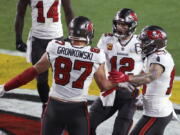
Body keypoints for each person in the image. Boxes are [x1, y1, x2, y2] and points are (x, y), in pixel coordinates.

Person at [0, 16, 131, 135]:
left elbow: (32, 72)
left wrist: (6, 87)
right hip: (78, 110)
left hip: (54, 108)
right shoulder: (96, 54)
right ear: (88, 33)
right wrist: (123, 80)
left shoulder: (55, 47)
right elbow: (104, 86)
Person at [109, 25, 176, 135]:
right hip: (157, 111)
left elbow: (150, 76)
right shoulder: (153, 55)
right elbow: (144, 75)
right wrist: (128, 83)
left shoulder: (159, 58)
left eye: (145, 41)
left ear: (157, 43)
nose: (141, 44)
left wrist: (126, 77)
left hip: (156, 114)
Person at [90, 8, 144, 135]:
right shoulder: (106, 39)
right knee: (87, 125)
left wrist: (142, 88)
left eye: (124, 25)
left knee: (119, 132)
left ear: (132, 26)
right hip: (110, 90)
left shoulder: (140, 43)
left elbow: (150, 69)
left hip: (130, 94)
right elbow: (97, 63)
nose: (120, 27)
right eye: (119, 24)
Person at [15, 0, 74, 113]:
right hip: (38, 40)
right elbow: (20, 13)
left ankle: (63, 108)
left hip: (55, 39)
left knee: (62, 77)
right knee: (41, 78)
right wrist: (18, 39)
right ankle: (46, 106)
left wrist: (18, 38)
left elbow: (68, 11)